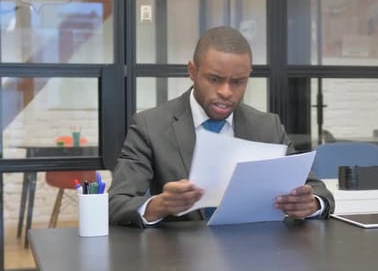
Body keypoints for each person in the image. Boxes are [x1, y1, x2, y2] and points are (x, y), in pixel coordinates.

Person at [108, 26, 334, 227]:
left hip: (255, 252)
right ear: (192, 72)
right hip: (179, 257)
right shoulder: (150, 126)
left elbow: (320, 192)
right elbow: (116, 203)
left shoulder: (268, 127)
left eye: (238, 82)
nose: (226, 92)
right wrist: (158, 205)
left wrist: (312, 203)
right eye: (215, 79)